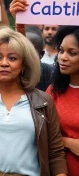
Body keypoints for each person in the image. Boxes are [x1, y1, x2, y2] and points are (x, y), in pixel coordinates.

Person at [0, 27, 67, 176]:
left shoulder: (43, 101)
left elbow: (56, 153)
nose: (4, 63)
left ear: (24, 64)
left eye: (12, 58)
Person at [46, 26, 79, 176]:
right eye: (61, 50)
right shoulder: (53, 91)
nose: (63, 57)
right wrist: (68, 142)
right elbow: (42, 133)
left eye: (72, 53)